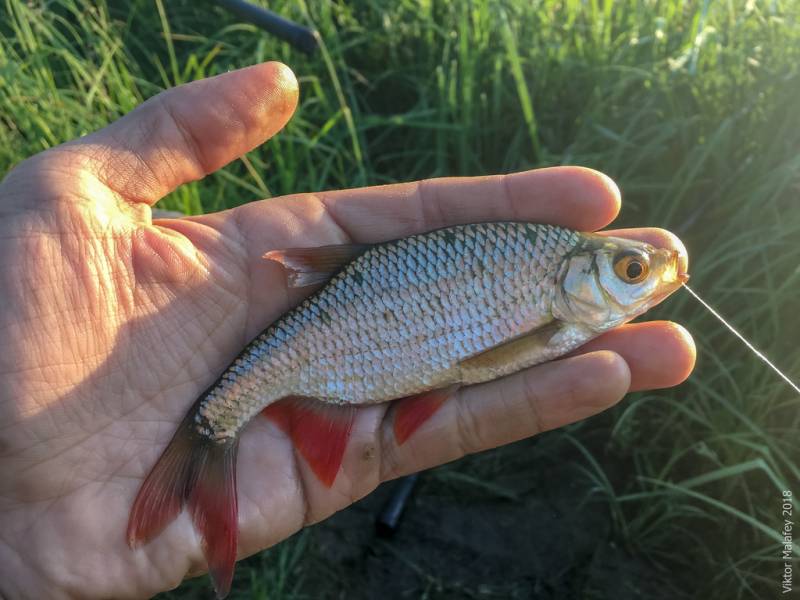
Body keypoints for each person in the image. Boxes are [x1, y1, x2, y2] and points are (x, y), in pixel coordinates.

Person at [0, 62, 695, 598]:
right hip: (362, 347)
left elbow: (481, 361)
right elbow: (493, 357)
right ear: (577, 275)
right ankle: (212, 434)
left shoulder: (553, 295)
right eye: (632, 270)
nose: (643, 278)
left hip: (386, 356)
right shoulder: (552, 302)